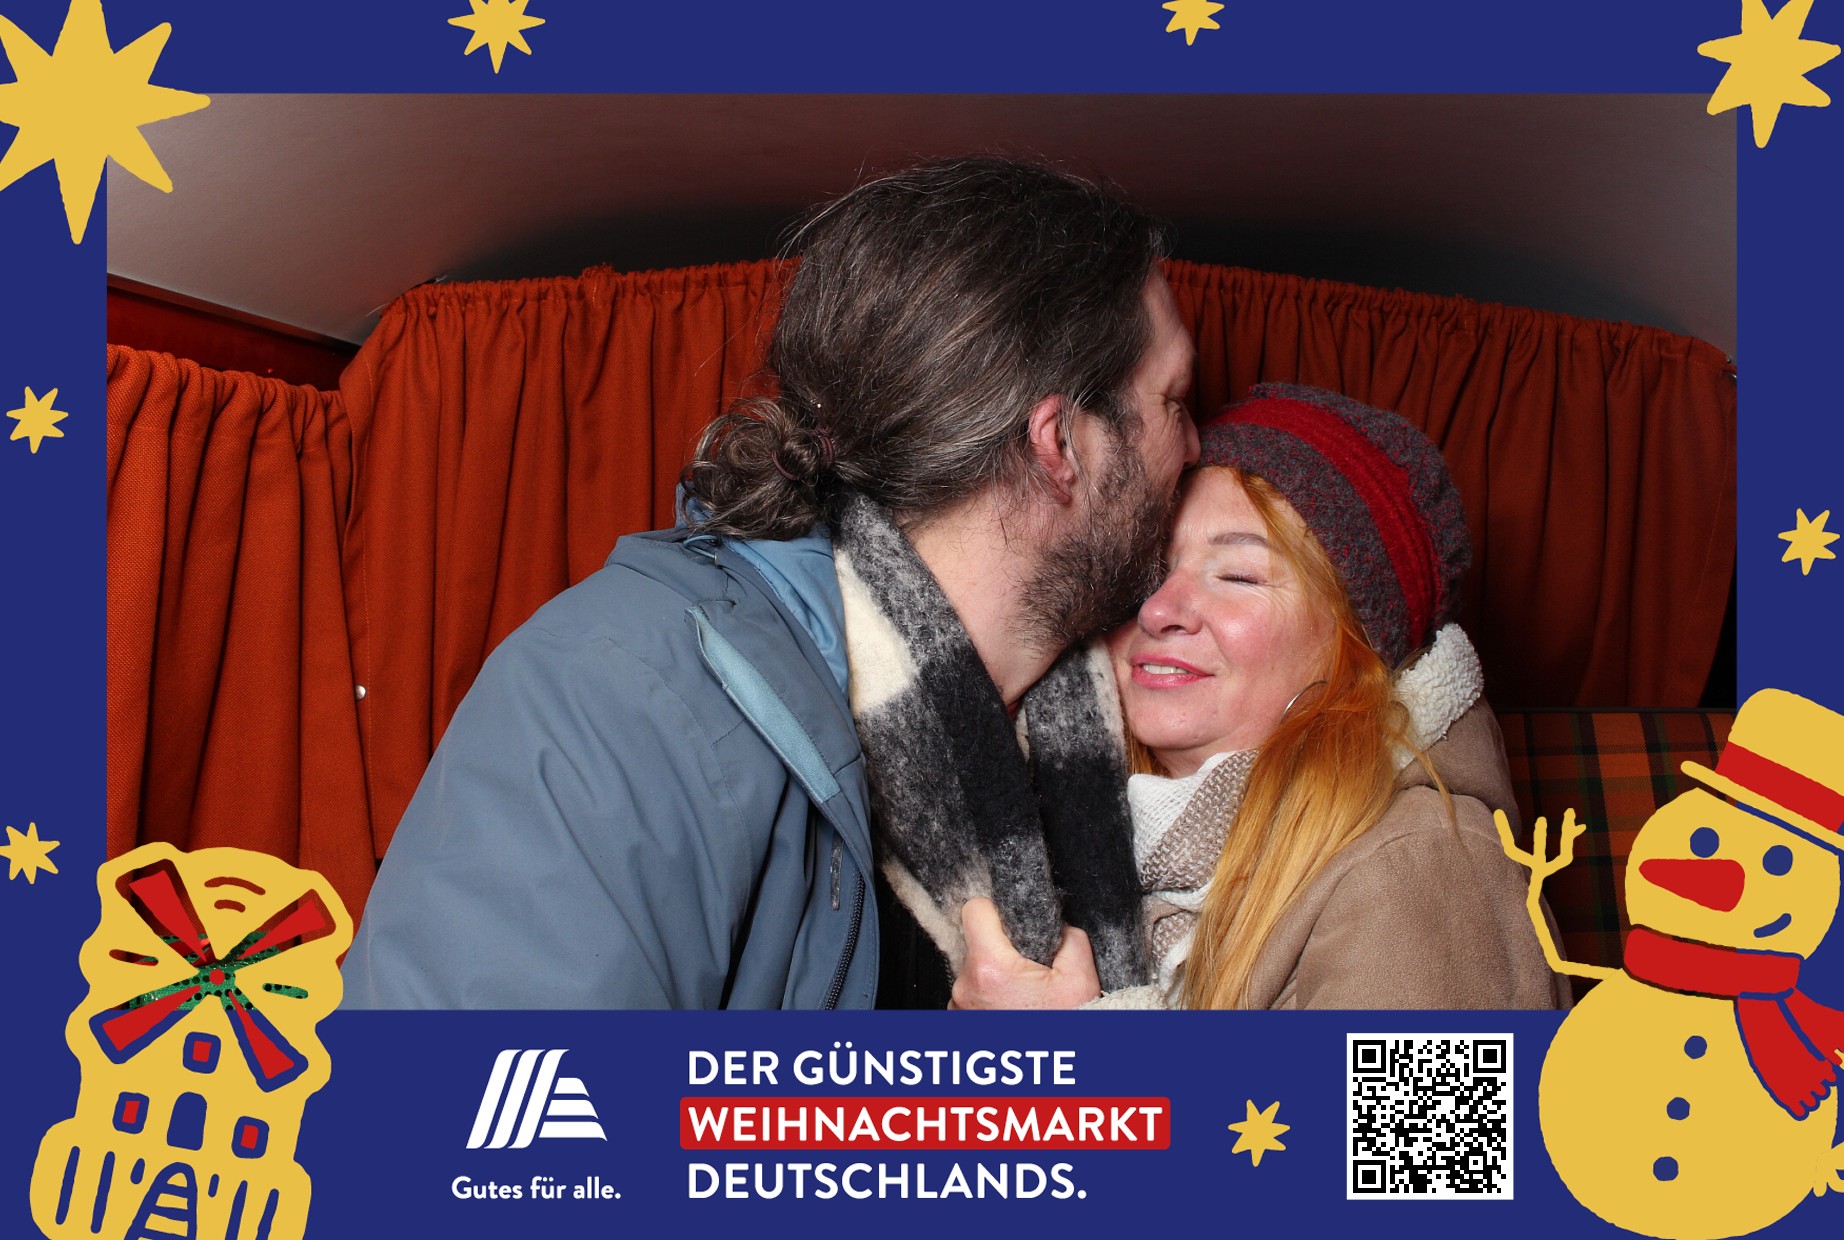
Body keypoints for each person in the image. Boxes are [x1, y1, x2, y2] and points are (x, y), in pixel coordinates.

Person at [339, 157, 1199, 1009]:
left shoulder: (1124, 732)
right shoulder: (620, 689)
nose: (1196, 448)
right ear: (1060, 445)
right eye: (1174, 402)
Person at [953, 384, 1569, 1010]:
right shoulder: (1067, 839)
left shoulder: (1423, 863)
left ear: (1354, 649)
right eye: (1146, 571)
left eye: (1239, 576)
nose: (1160, 610)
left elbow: (1451, 1082)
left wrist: (1069, 1046)